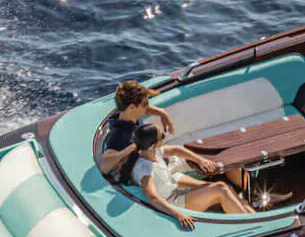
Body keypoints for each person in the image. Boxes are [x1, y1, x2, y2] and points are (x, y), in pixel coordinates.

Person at [99, 78, 242, 188]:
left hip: (164, 158)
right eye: (145, 105)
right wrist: (131, 149)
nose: (148, 108)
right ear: (131, 107)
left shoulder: (127, 115)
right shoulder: (118, 134)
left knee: (221, 157)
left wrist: (162, 113)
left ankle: (246, 188)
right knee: (215, 181)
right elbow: (105, 166)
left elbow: (143, 109)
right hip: (162, 171)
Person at [131, 123, 252, 230]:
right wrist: (178, 214)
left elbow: (175, 150)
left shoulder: (151, 152)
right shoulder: (146, 170)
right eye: (162, 136)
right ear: (152, 145)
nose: (164, 137)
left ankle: (252, 217)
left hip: (175, 192)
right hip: (174, 203)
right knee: (221, 189)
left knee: (226, 188)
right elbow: (153, 198)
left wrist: (199, 160)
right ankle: (250, 226)